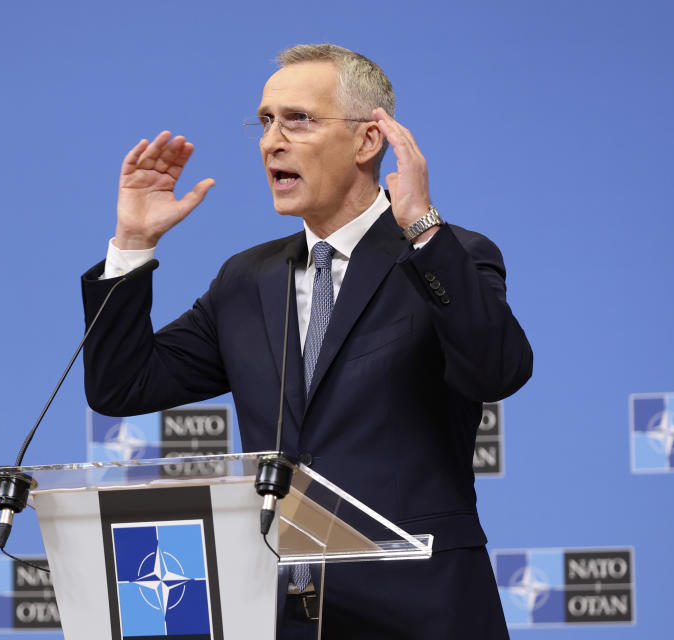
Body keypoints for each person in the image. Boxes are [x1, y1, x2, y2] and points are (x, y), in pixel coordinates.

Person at [80, 43, 532, 639]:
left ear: (369, 141)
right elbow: (121, 384)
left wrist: (424, 228)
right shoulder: (247, 279)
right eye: (265, 122)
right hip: (284, 611)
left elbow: (496, 371)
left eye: (298, 120)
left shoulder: (448, 257)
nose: (271, 141)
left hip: (422, 608)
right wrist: (132, 242)